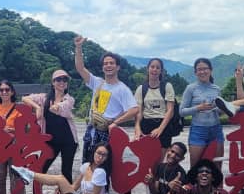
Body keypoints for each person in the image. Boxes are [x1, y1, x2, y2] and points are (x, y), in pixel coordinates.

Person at [73, 35, 138, 163]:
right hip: (92, 128)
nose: (108, 66)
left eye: (111, 63)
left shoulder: (122, 89)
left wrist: (115, 122)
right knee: (87, 164)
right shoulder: (97, 82)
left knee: (103, 167)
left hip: (107, 131)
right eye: (105, 63)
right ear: (102, 67)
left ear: (118, 67)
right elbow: (80, 68)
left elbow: (134, 109)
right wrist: (79, 47)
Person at [23, 69, 78, 182]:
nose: (62, 82)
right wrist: (38, 107)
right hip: (50, 141)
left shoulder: (69, 99)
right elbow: (25, 98)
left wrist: (57, 107)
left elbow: (64, 106)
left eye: (64, 79)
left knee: (66, 172)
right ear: (53, 82)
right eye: (58, 79)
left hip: (68, 141)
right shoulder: (44, 98)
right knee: (41, 169)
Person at [179, 58, 223, 166]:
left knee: (217, 166)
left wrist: (218, 108)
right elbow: (181, 111)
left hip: (216, 130)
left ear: (210, 70)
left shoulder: (216, 89)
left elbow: (220, 112)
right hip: (198, 131)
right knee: (195, 166)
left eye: (205, 69)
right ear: (195, 72)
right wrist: (198, 108)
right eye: (199, 69)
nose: (202, 72)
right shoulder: (190, 88)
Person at [133, 58, 178, 149]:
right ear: (147, 69)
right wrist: (137, 128)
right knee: (146, 158)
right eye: (152, 67)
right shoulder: (141, 89)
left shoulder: (167, 86)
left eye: (158, 68)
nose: (154, 70)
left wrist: (160, 129)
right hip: (146, 125)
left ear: (161, 71)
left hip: (164, 125)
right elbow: (139, 112)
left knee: (160, 161)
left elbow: (170, 110)